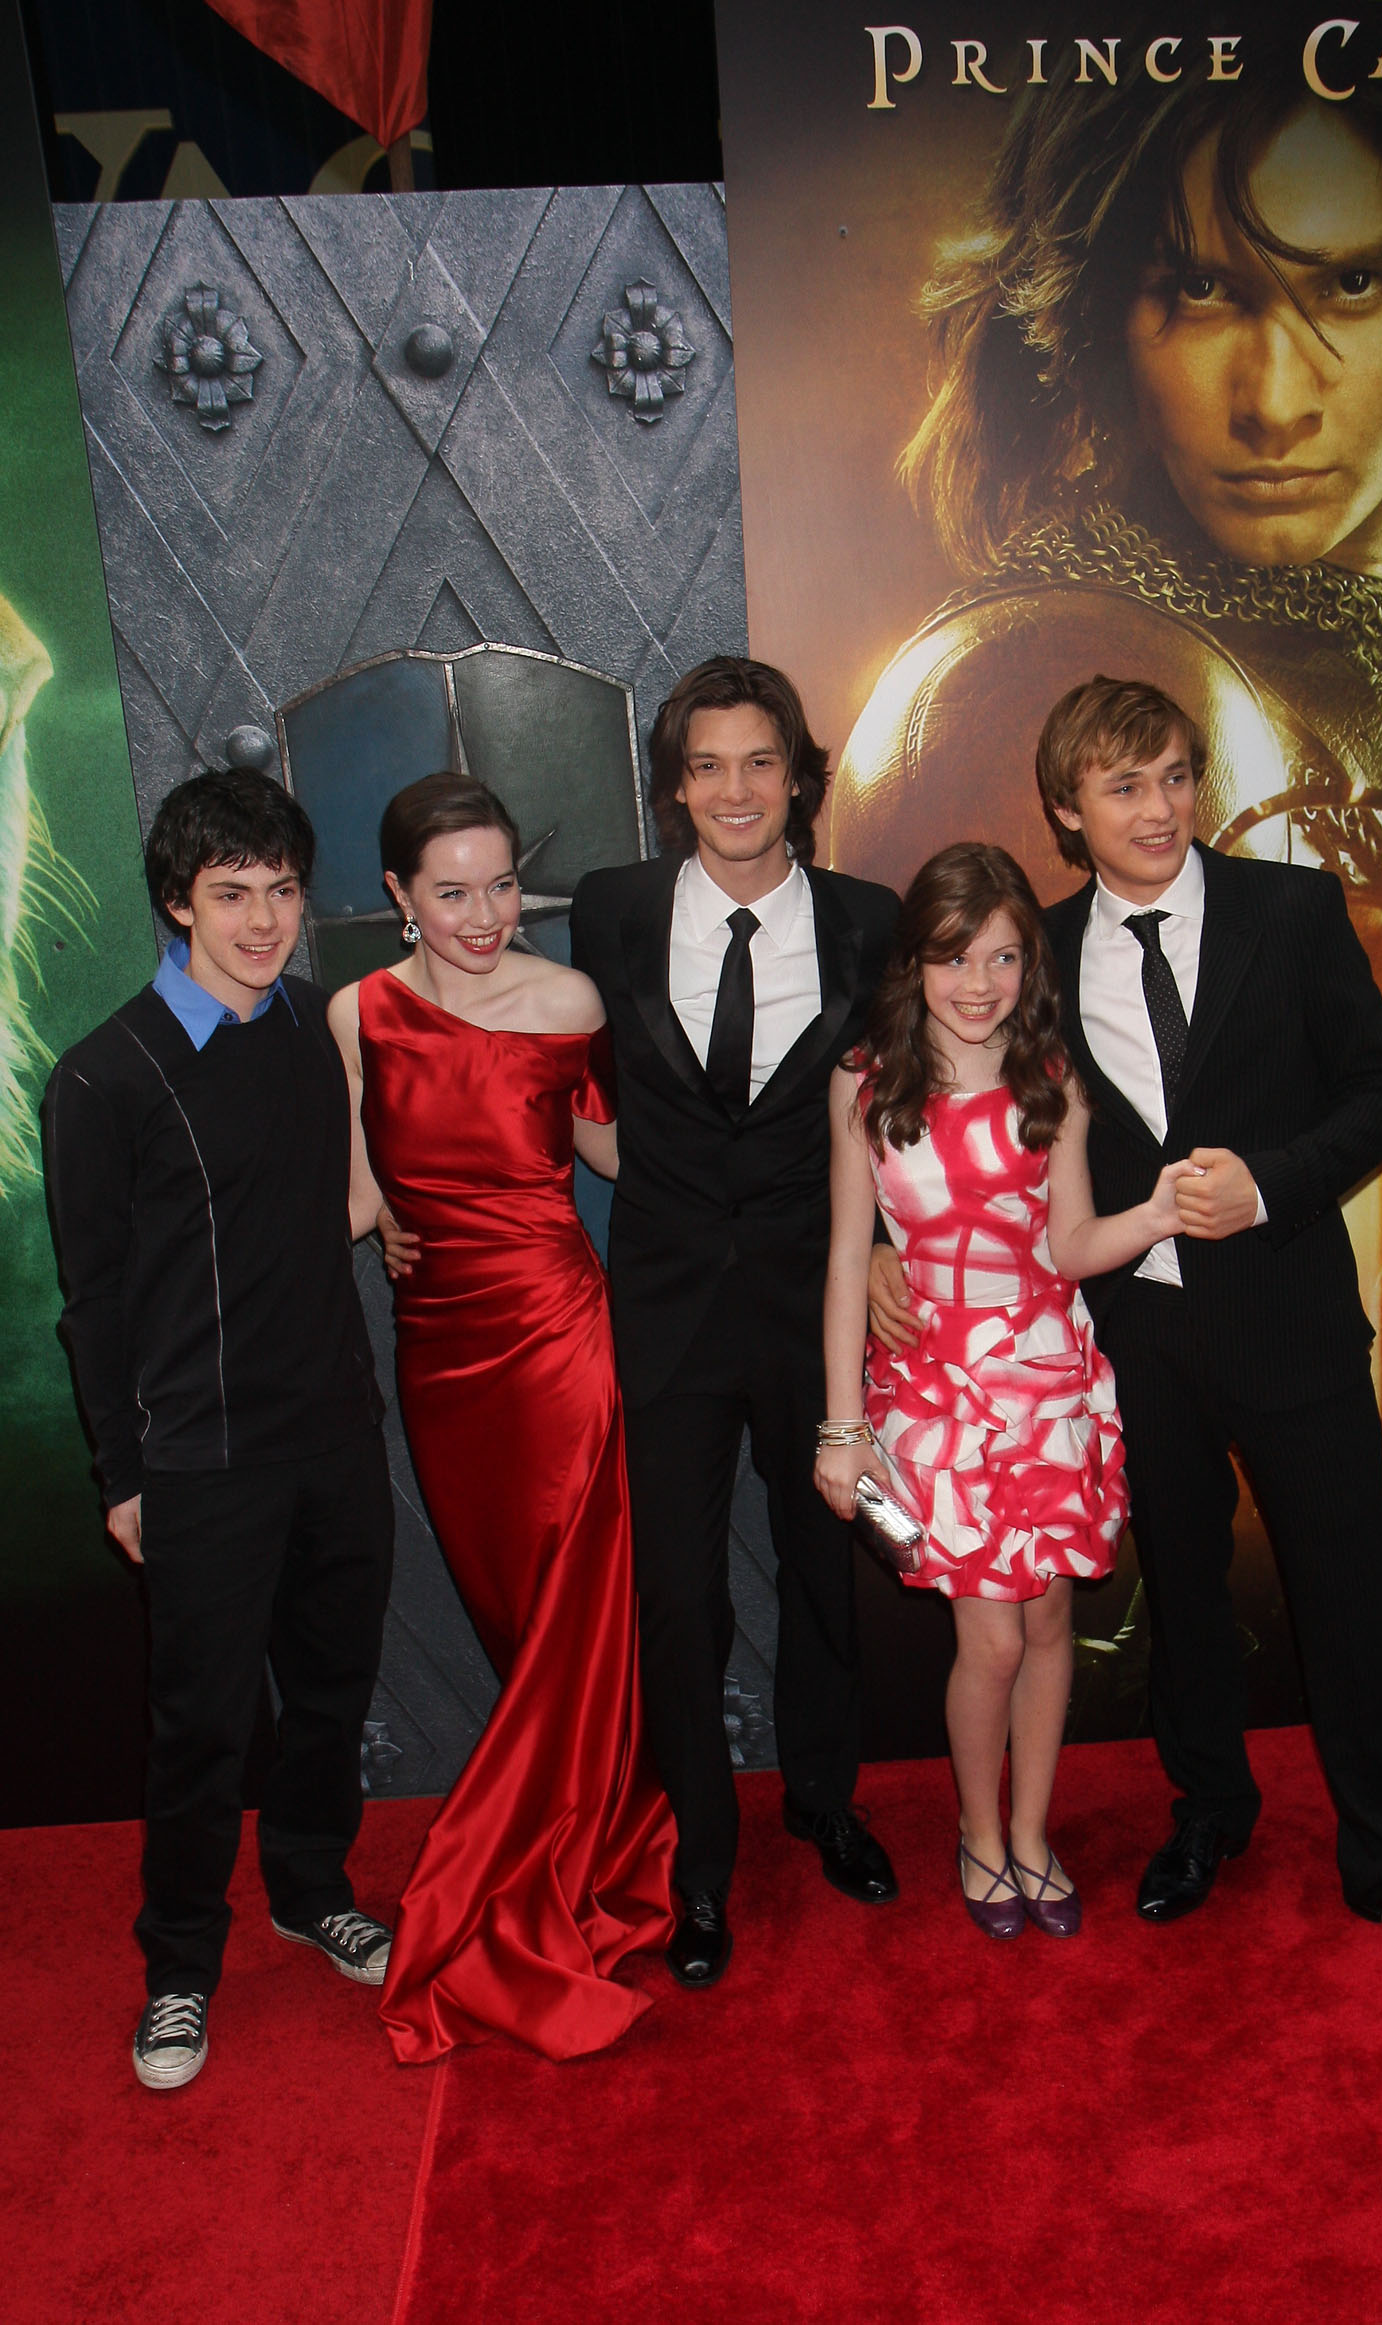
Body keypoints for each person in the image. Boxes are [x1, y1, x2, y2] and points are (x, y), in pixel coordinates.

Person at [832, 26, 1382, 1658]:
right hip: (1204, 1530)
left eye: (1351, 284)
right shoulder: (1059, 668)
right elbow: (969, 1163)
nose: (1274, 395)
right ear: (1097, 317)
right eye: (1203, 291)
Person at [871, 677, 1382, 1985]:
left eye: (1173, 775)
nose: (1158, 808)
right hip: (1132, 1348)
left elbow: (1378, 1095)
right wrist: (888, 1238)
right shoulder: (1034, 955)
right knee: (1184, 1603)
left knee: (1341, 1601)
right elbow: (919, 1089)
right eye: (1123, 786)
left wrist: (1270, 1183)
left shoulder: (1293, 910)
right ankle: (1207, 1814)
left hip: (1289, 1323)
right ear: (1066, 809)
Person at [44, 770, 396, 2092]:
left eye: (282, 890)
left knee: (331, 1694)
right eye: (231, 893)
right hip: (199, 1461)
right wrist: (123, 1475)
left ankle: (312, 1889)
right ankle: (181, 1967)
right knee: (199, 1730)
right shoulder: (104, 1076)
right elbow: (93, 1302)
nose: (263, 920)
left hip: (335, 1434)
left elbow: (327, 1208)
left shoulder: (310, 1027)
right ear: (177, 902)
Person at [329, 773, 675, 2063]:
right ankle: (579, 1833)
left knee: (573, 1625)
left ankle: (561, 1862)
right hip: (443, 1363)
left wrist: (760, 1118)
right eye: (452, 892)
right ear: (399, 896)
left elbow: (616, 1155)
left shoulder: (568, 1002)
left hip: (560, 1346)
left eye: (502, 886)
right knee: (515, 1623)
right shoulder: (356, 1014)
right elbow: (357, 1201)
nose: (484, 917)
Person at [568, 656, 901, 1989]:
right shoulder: (611, 910)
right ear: (674, 788)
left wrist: (891, 1242)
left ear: (799, 779)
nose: (734, 790)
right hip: (664, 1304)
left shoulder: (870, 920)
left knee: (822, 1566)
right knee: (677, 1591)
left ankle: (823, 1799)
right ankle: (697, 1858)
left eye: (760, 761)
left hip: (814, 1299)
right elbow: (554, 1068)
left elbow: (909, 1100)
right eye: (706, 766)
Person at [818, 842, 1185, 1938]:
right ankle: (978, 1833)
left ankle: (1032, 1832)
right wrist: (840, 1428)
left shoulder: (1049, 1078)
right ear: (913, 962)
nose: (977, 984)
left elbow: (1068, 1245)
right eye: (952, 957)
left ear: (1031, 965)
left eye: (1002, 958)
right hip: (935, 1395)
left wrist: (1154, 1214)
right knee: (989, 1640)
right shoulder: (864, 1081)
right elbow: (845, 1259)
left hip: (1049, 1381)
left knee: (1049, 1621)